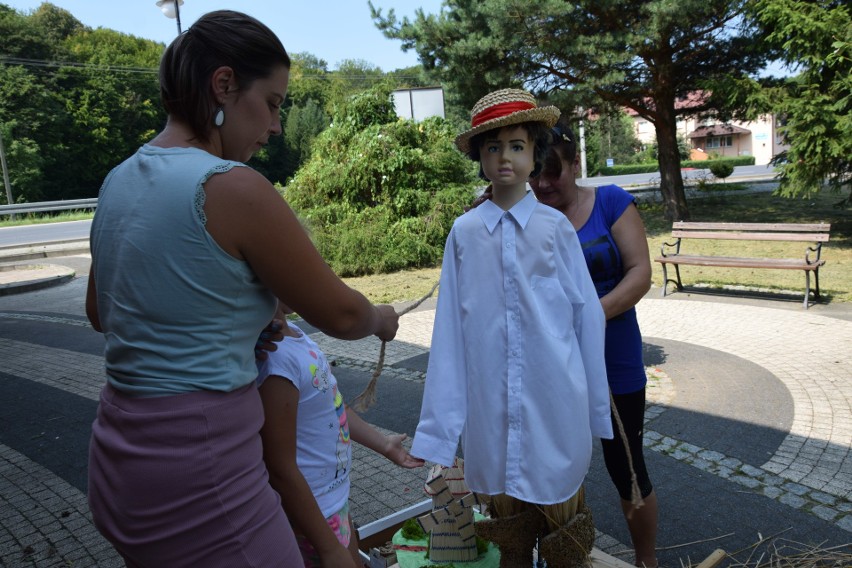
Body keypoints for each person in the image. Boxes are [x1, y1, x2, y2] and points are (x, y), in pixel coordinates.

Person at [84, 10, 398, 567]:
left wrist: (237, 319)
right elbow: (342, 317)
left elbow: (102, 313)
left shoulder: (119, 179)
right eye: (273, 103)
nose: (276, 125)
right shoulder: (231, 186)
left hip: (118, 457)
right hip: (199, 470)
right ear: (224, 85)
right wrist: (382, 317)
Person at [410, 89, 613, 568]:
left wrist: (596, 409)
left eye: (517, 145)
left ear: (535, 153)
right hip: (492, 410)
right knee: (507, 540)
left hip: (555, 400)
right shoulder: (464, 234)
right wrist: (440, 433)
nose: (505, 157)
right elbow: (448, 335)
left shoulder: (554, 229)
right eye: (493, 147)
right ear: (480, 156)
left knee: (565, 536)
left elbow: (587, 315)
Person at [530, 120, 658, 568]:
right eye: (534, 174)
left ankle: (646, 560)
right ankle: (560, 553)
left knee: (626, 466)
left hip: (614, 358)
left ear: (575, 163)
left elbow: (640, 272)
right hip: (553, 365)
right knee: (552, 461)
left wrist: (588, 317)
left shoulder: (610, 202)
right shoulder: (526, 215)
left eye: (553, 172)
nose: (543, 184)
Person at [256, 301, 424, 568]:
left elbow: (333, 404)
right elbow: (279, 468)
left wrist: (384, 444)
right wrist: (329, 549)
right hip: (311, 519)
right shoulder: (275, 361)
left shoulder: (298, 336)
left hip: (334, 503)